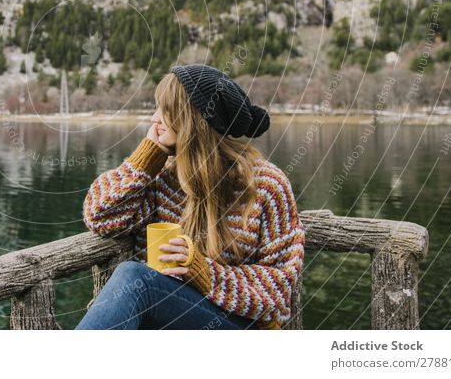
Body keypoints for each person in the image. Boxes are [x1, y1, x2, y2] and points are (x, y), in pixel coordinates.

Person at [75, 64, 306, 330]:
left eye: (166, 110)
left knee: (132, 277)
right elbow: (99, 216)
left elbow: (278, 288)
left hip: (240, 326)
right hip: (173, 313)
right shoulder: (163, 178)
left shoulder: (266, 186)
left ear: (192, 120)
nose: (154, 118)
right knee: (135, 283)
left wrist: (203, 272)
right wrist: (146, 158)